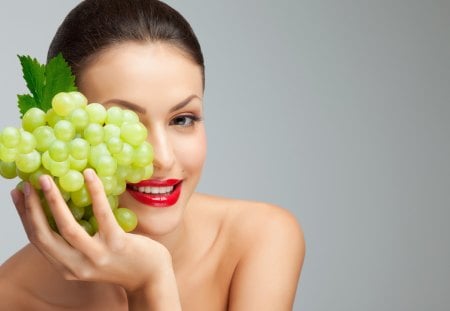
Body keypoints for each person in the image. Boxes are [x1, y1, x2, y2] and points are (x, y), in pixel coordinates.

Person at [0, 0, 305, 310]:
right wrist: (149, 283)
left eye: (182, 119)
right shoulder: (11, 297)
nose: (162, 157)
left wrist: (150, 283)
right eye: (125, 123)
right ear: (67, 133)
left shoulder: (259, 238)